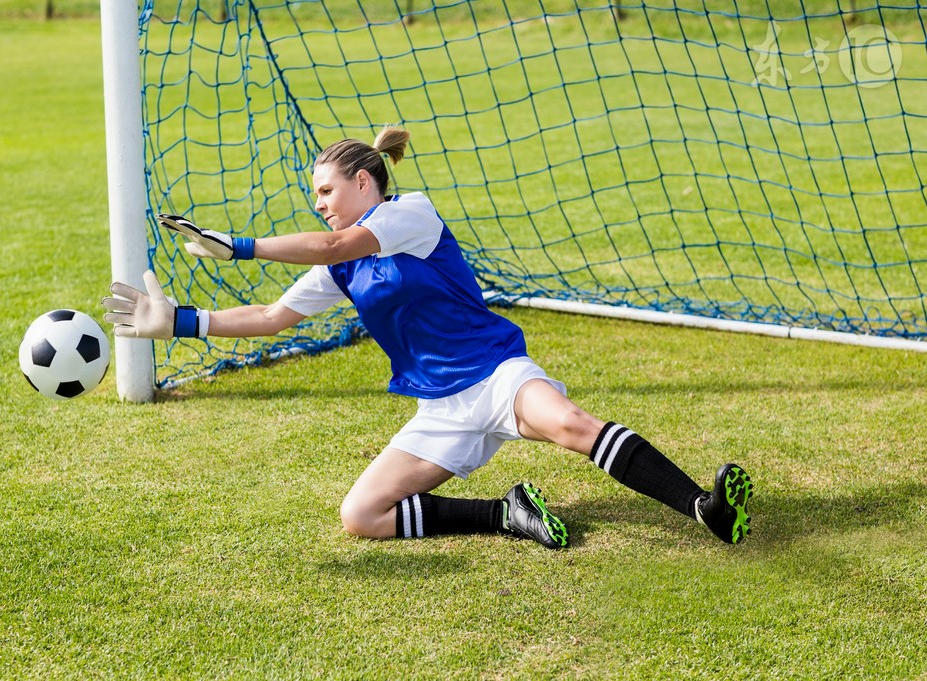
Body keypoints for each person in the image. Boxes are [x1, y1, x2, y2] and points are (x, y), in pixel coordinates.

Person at [102, 126, 753, 549]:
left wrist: (241, 246)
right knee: (361, 514)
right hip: (440, 408)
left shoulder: (410, 215)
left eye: (326, 190)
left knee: (571, 423)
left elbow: (333, 240)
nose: (319, 202)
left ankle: (704, 506)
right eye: (314, 195)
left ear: (366, 182)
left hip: (496, 373)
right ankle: (506, 513)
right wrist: (179, 322)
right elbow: (275, 317)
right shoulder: (345, 267)